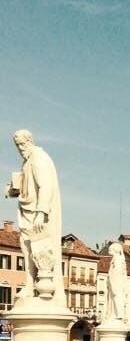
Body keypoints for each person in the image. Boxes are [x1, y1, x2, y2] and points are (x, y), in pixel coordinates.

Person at [5, 129, 65, 305]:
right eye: (17, 145)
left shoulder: (39, 158)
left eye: (23, 144)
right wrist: (13, 189)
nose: (20, 148)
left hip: (38, 214)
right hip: (27, 210)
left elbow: (46, 186)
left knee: (39, 248)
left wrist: (41, 212)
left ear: (30, 141)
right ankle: (30, 283)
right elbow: (28, 187)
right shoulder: (27, 162)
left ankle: (40, 284)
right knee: (26, 247)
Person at [105, 242, 127, 321]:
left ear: (115, 250)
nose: (109, 250)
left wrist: (112, 282)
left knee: (116, 298)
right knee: (114, 299)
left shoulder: (118, 259)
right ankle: (114, 314)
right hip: (115, 282)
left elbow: (116, 272)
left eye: (110, 249)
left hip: (116, 283)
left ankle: (118, 314)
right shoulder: (116, 258)